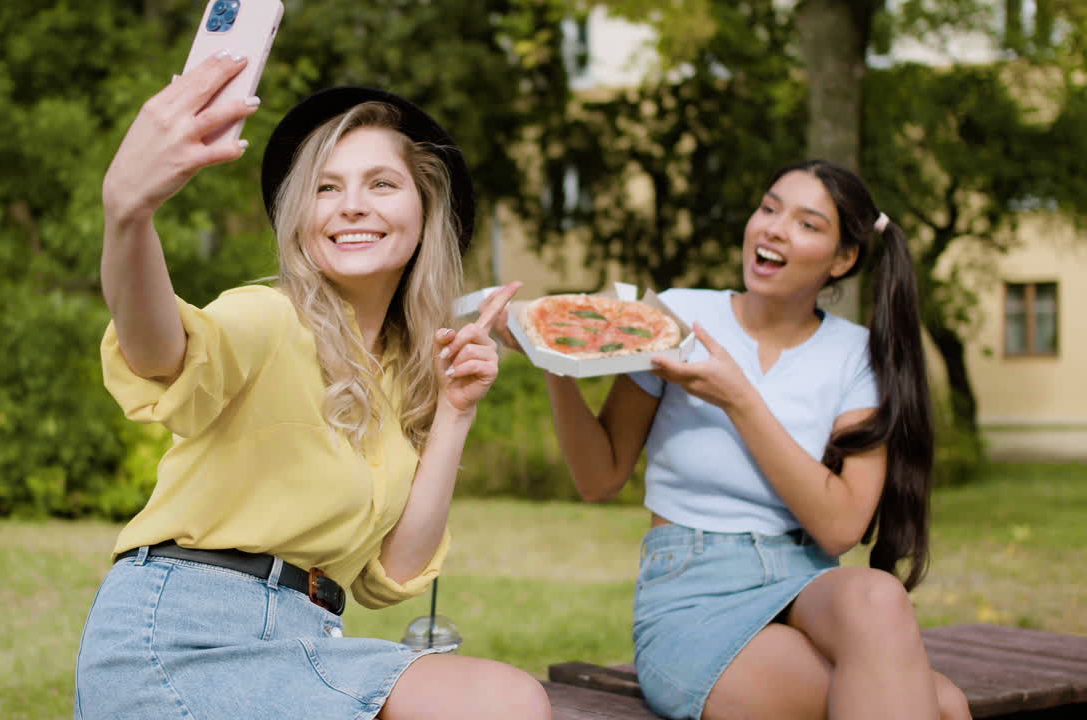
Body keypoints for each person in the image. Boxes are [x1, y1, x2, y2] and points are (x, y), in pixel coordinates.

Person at [75, 52, 549, 720]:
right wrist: (129, 214)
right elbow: (160, 352)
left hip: (310, 640)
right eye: (326, 188)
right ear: (301, 215)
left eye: (381, 184)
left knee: (506, 699)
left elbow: (395, 571)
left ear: (424, 212)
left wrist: (455, 410)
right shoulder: (266, 316)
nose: (351, 205)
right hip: (183, 633)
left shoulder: (399, 376)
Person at [494, 160, 971, 720]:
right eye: (768, 208)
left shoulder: (857, 355)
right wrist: (553, 356)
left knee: (879, 596)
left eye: (806, 224)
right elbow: (600, 478)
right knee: (940, 703)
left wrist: (739, 400)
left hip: (805, 581)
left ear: (844, 259)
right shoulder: (677, 316)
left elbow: (841, 526)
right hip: (694, 595)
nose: (772, 228)